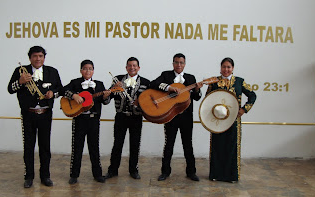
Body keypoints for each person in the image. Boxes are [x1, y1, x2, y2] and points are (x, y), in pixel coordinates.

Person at [7, 46, 63, 188]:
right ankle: (29, 177)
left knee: (45, 146)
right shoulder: (21, 71)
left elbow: (60, 89)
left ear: (44, 57)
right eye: (35, 56)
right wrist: (20, 81)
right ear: (30, 58)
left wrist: (53, 94)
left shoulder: (52, 71)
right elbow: (10, 89)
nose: (38, 59)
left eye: (40, 56)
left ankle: (45, 176)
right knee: (29, 146)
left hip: (45, 114)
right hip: (28, 114)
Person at [150, 53, 203, 181]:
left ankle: (191, 172)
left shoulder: (191, 78)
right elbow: (153, 83)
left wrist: (196, 89)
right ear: (173, 63)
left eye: (181, 63)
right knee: (169, 144)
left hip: (186, 118)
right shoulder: (166, 75)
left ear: (185, 64)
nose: (179, 65)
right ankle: (165, 172)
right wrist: (169, 87)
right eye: (176, 62)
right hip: (171, 116)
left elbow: (197, 97)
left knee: (188, 145)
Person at [206, 57, 256, 183]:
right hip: (217, 121)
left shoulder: (239, 81)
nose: (226, 69)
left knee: (232, 147)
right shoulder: (214, 81)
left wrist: (244, 109)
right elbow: (207, 99)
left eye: (228, 67)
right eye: (224, 67)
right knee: (217, 147)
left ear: (232, 68)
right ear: (220, 68)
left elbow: (252, 95)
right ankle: (216, 174)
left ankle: (231, 176)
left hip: (234, 121)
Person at [63, 60, 111, 184]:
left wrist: (106, 96)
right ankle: (74, 175)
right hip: (79, 119)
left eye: (90, 69)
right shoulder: (75, 83)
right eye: (85, 68)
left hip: (93, 120)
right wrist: (74, 96)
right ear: (81, 71)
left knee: (94, 147)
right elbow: (64, 91)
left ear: (93, 71)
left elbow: (105, 102)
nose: (88, 71)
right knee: (77, 147)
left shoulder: (99, 85)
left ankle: (97, 174)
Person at [105, 57, 150, 180]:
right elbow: (107, 99)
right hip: (121, 117)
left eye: (134, 65)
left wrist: (139, 103)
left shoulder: (146, 82)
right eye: (130, 65)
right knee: (117, 144)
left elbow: (150, 101)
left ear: (138, 68)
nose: (132, 68)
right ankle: (113, 170)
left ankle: (133, 170)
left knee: (135, 145)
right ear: (126, 67)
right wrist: (113, 88)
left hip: (136, 118)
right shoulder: (118, 80)